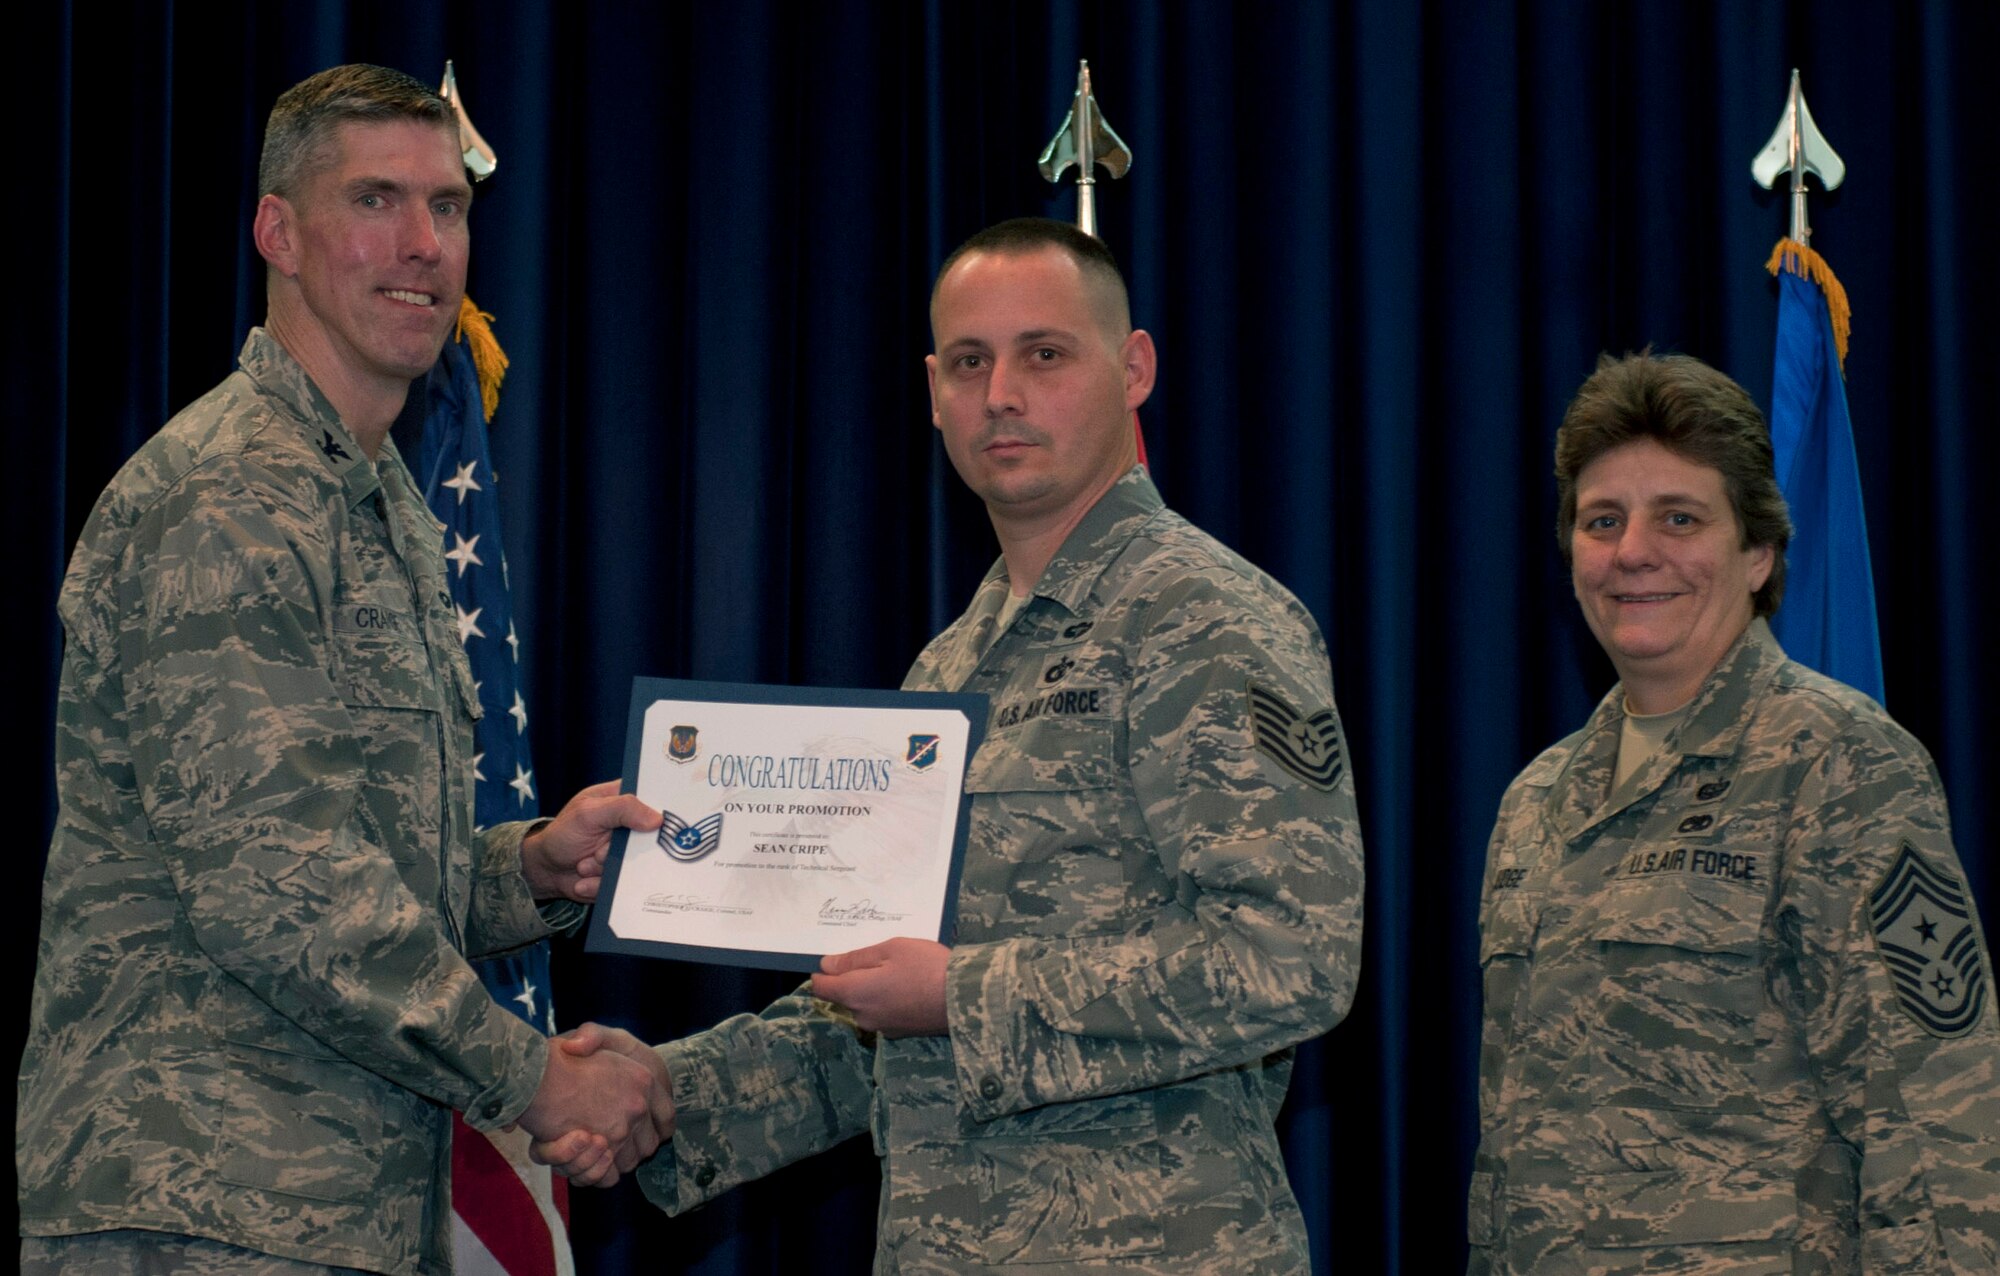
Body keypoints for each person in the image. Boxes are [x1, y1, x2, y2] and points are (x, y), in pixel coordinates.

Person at [541, 217, 1366, 1270]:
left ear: (1133, 369)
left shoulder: (1206, 620)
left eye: (1044, 354)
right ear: (934, 391)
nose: (1002, 394)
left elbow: (1288, 957)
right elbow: (886, 1009)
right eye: (970, 363)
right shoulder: (949, 669)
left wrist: (959, 995)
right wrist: (668, 1093)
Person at [17, 64, 672, 1276]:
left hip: (328, 1209)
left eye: (448, 206)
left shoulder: (373, 500)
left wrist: (530, 868)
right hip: (200, 1205)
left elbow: (359, 847)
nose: (423, 244)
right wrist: (536, 1077)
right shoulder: (230, 495)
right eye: (375, 200)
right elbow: (279, 882)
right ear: (278, 232)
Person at [1468, 352, 1999, 1273]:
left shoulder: (1840, 764)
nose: (1633, 551)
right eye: (1602, 521)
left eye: (1679, 517)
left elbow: (1933, 1119)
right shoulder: (1537, 801)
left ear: (1758, 553)